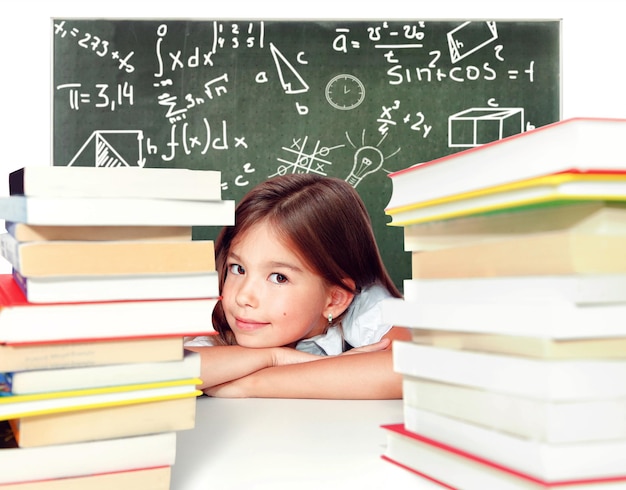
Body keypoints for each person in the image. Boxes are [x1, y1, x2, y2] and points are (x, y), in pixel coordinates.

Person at [185, 173, 411, 399]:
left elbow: (410, 367)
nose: (243, 296)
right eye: (238, 269)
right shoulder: (217, 317)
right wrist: (274, 358)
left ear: (335, 300)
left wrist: (252, 384)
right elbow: (165, 369)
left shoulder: (363, 306)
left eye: (278, 277)